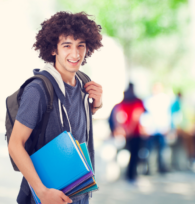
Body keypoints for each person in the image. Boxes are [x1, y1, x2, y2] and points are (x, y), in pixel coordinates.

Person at [8, 11, 103, 204]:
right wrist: (42, 193)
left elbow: (71, 125)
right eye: (67, 46)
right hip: (49, 195)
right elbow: (15, 144)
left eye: (80, 46)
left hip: (80, 192)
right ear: (53, 49)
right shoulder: (38, 90)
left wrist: (95, 106)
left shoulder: (84, 84)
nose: (75, 54)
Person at [113, 83, 145, 183]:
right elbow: (136, 116)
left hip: (128, 133)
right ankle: (131, 176)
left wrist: (123, 129)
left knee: (132, 155)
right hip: (132, 134)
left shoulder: (127, 102)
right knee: (134, 155)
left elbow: (117, 115)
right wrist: (127, 130)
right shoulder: (136, 101)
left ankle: (130, 175)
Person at [141, 83, 171, 174]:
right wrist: (145, 127)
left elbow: (167, 114)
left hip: (162, 128)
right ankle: (150, 169)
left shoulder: (165, 99)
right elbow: (145, 114)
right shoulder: (148, 100)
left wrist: (168, 126)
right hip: (151, 129)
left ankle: (163, 168)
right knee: (150, 151)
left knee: (163, 150)